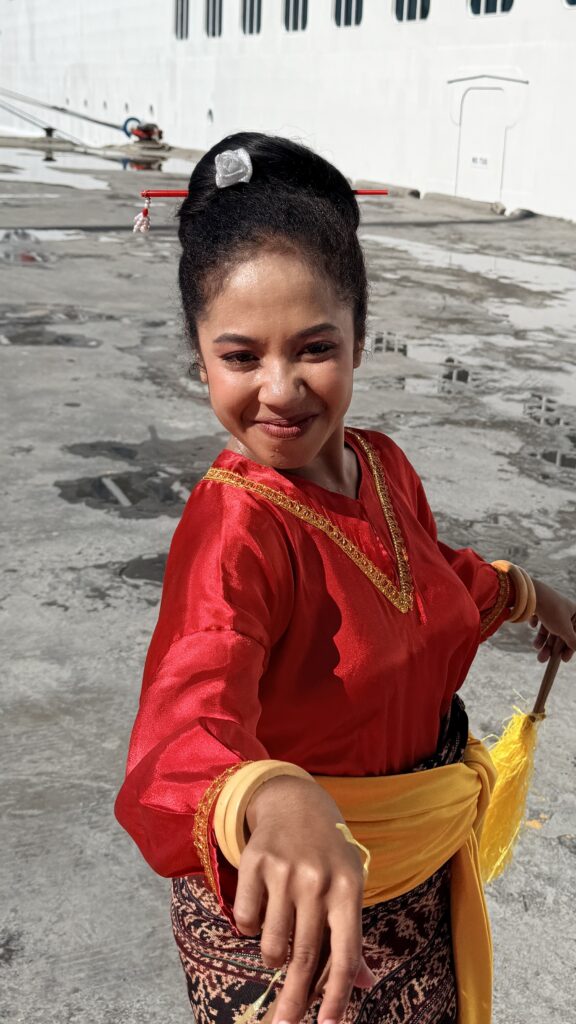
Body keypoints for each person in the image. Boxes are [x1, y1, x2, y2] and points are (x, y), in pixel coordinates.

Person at [114, 132, 576, 1024]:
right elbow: (185, 717)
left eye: (314, 348)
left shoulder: (382, 463)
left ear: (360, 341)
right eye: (241, 357)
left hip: (418, 882)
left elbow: (433, 586)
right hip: (295, 922)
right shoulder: (236, 526)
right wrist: (266, 791)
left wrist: (530, 596)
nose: (280, 389)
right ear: (200, 359)